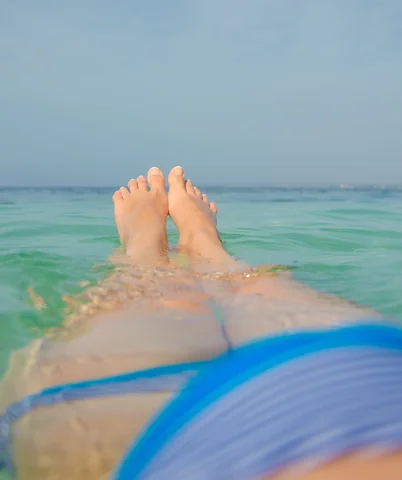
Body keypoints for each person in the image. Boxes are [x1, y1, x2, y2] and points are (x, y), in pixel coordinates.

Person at [1, 166, 402, 480]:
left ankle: (145, 250)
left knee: (154, 297)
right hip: (367, 393)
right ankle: (206, 247)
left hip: (155, 449)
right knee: (257, 287)